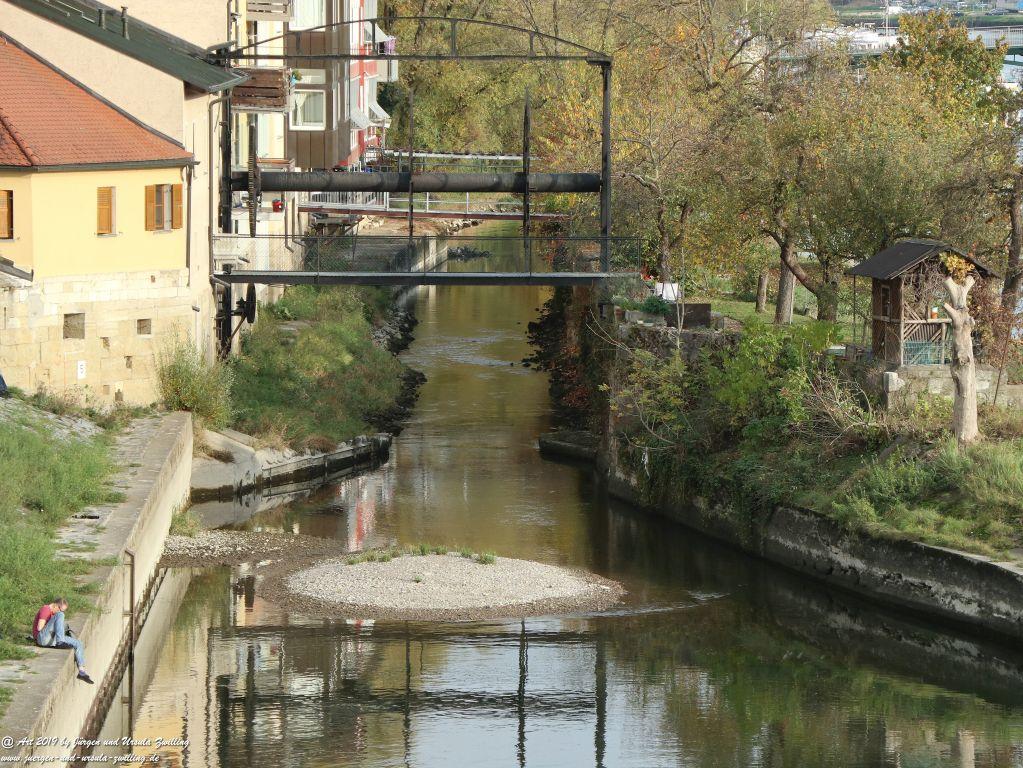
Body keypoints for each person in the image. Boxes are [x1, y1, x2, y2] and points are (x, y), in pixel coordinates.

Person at [33, 598, 93, 684]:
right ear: (55, 605)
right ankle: (60, 641)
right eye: (60, 610)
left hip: (51, 637)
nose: (60, 612)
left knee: (78, 643)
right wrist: (53, 624)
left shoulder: (54, 613)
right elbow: (39, 628)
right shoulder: (46, 609)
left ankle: (81, 672)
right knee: (60, 616)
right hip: (42, 638)